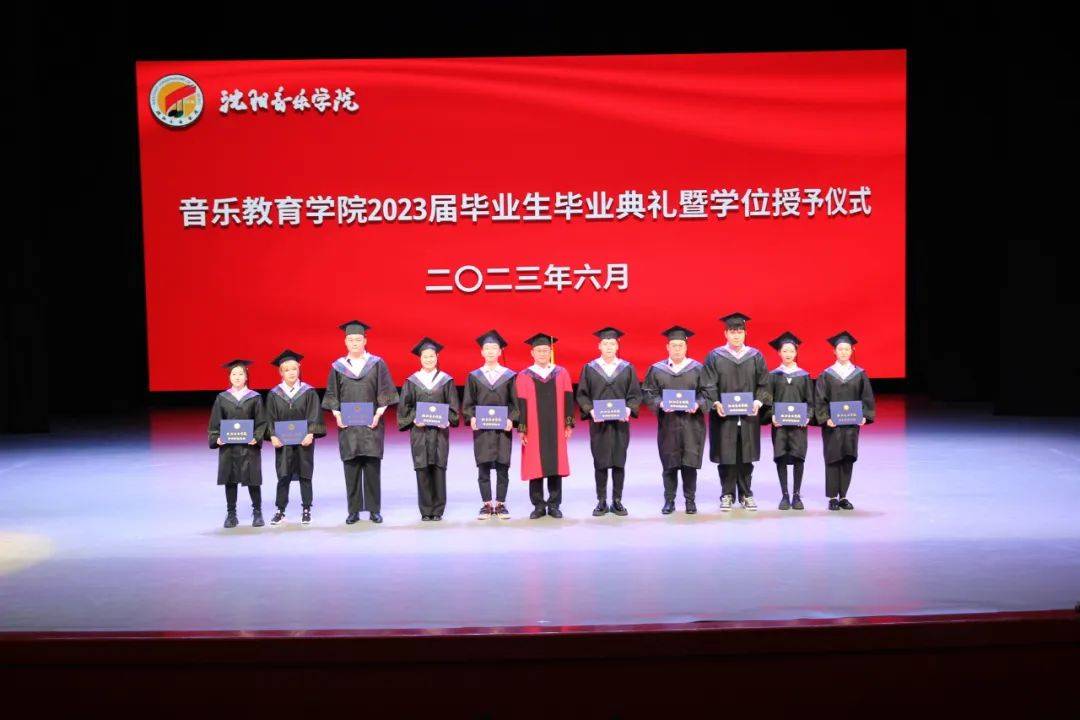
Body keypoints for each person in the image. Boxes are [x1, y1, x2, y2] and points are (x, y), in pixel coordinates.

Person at [321, 320, 399, 524]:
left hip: (372, 424)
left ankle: (374, 510)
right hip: (348, 426)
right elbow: (332, 394)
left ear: (365, 340)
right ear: (345, 342)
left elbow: (385, 391)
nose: (355, 343)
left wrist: (378, 414)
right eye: (350, 340)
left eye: (358, 339)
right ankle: (353, 511)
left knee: (372, 467)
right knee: (351, 467)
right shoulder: (338, 367)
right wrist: (337, 415)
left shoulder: (377, 363)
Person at [700, 312, 771, 511]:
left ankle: (746, 494)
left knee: (746, 456)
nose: (736, 335)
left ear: (745, 333)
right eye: (732, 332)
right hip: (724, 416)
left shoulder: (755, 356)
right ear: (726, 334)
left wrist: (758, 401)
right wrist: (716, 403)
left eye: (740, 331)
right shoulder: (715, 356)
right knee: (726, 456)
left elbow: (764, 383)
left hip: (749, 416)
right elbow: (708, 383)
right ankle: (727, 494)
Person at [641, 326, 708, 515]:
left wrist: (697, 404)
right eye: (674, 345)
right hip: (668, 424)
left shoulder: (698, 369)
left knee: (689, 464)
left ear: (686, 347)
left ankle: (690, 501)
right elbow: (648, 393)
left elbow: (707, 393)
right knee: (669, 464)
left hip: (692, 424)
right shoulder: (657, 370)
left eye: (680, 345)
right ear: (667, 347)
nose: (677, 349)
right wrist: (660, 403)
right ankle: (669, 500)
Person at [576, 327, 642, 516]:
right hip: (599, 424)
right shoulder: (590, 368)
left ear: (617, 345)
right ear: (599, 346)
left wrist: (628, 409)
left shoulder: (627, 368)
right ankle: (602, 501)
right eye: (605, 343)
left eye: (612, 343)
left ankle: (617, 500)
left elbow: (635, 394)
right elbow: (582, 395)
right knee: (600, 461)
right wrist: (590, 410)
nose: (609, 347)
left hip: (620, 423)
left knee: (619, 461)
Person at [398, 337, 460, 521]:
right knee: (422, 469)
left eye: (432, 356)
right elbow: (404, 409)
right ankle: (426, 511)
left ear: (437, 357)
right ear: (420, 358)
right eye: (425, 357)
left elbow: (454, 409)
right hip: (420, 433)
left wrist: (447, 420)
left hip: (440, 433)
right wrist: (414, 419)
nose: (429, 359)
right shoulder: (412, 381)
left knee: (439, 469)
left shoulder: (446, 380)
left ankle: (438, 510)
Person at [515, 333, 574, 519]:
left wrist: (568, 424)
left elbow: (568, 398)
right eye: (539, 350)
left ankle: (554, 504)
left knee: (556, 465)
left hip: (556, 426)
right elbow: (521, 403)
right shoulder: (524, 375)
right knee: (535, 465)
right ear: (532, 353)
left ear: (551, 352)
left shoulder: (561, 373)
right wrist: (522, 428)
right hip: (533, 427)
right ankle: (539, 505)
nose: (542, 353)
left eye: (545, 350)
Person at [814, 331, 875, 510]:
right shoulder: (826, 374)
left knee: (848, 457)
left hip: (851, 425)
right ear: (834, 351)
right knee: (833, 458)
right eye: (840, 349)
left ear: (852, 351)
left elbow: (867, 397)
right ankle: (833, 497)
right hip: (832, 426)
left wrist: (864, 415)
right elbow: (819, 399)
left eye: (847, 349)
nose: (843, 352)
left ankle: (844, 496)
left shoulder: (859, 373)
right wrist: (825, 418)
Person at [461, 329, 519, 520]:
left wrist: (511, 419)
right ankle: (486, 504)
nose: (491, 351)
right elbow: (468, 403)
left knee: (503, 467)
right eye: (487, 348)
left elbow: (515, 404)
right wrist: (471, 418)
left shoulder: (509, 376)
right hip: (483, 430)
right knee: (483, 466)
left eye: (494, 348)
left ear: (500, 351)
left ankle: (500, 504)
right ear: (482, 352)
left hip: (502, 430)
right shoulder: (474, 376)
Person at [264, 349, 325, 525]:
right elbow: (270, 418)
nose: (291, 372)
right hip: (283, 442)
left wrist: (311, 433)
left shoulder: (308, 392)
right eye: (287, 369)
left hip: (304, 440)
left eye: (294, 369)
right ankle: (280, 510)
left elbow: (314, 414)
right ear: (281, 372)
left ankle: (306, 509)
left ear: (299, 369)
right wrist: (272, 435)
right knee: (283, 475)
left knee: (305, 474)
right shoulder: (274, 394)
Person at [208, 359, 266, 528]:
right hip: (229, 447)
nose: (238, 377)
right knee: (230, 479)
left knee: (253, 479)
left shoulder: (255, 397)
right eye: (234, 374)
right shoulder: (222, 398)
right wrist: (217, 438)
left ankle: (257, 512)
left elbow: (261, 422)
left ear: (247, 377)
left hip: (249, 447)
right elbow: (215, 423)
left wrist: (257, 437)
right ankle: (231, 514)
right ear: (229, 377)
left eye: (241, 374)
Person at [763, 332, 813, 511]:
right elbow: (768, 400)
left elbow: (810, 401)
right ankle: (784, 495)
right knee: (781, 458)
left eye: (791, 351)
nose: (788, 354)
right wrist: (772, 415)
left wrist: (807, 416)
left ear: (796, 352)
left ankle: (797, 495)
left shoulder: (804, 376)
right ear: (779, 352)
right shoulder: (773, 376)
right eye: (785, 351)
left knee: (799, 458)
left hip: (799, 426)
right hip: (780, 426)